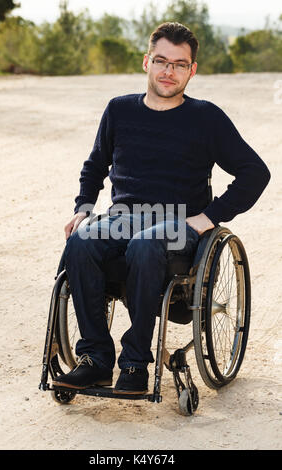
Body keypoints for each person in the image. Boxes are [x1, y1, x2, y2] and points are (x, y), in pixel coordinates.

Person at [53, 22, 270, 394]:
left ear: (192, 70)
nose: (169, 71)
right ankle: (96, 359)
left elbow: (256, 173)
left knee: (147, 243)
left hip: (176, 226)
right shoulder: (119, 111)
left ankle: (135, 364)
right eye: (161, 61)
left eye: (180, 64)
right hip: (123, 221)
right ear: (146, 63)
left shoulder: (206, 118)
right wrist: (84, 207)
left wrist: (209, 218)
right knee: (81, 241)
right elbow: (94, 166)